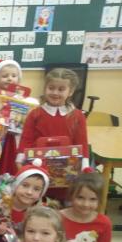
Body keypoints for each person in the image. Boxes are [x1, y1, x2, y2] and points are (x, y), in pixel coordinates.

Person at [17, 68, 90, 202]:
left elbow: (82, 143)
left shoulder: (77, 116)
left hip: (67, 173)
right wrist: (20, 158)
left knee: (63, 201)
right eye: (51, 88)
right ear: (45, 88)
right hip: (38, 169)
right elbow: (26, 139)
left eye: (61, 89)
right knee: (38, 200)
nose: (55, 92)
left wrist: (84, 166)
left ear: (71, 91)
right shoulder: (35, 114)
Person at [0, 59, 24, 176]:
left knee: (7, 164)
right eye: (5, 76)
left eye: (13, 76)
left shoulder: (21, 99)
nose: (10, 79)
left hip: (11, 139)